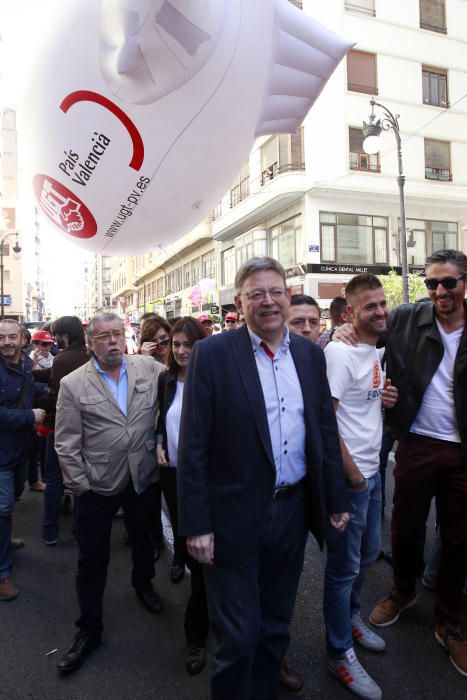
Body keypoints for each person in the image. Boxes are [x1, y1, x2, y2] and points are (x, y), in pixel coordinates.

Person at [178, 257, 349, 699]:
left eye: (276, 291)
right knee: (238, 635)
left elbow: (324, 434)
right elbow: (194, 444)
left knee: (275, 626)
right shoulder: (212, 355)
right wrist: (195, 524)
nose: (268, 301)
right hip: (232, 516)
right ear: (240, 302)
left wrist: (334, 500)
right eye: (256, 294)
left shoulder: (310, 356)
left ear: (288, 297)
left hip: (291, 513)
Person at [366, 249, 467, 677]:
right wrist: (379, 386)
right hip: (417, 442)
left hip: (462, 450)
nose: (439, 291)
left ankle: (448, 620)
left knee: (460, 539)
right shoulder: (408, 317)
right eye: (432, 283)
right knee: (405, 526)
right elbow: (365, 339)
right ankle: (403, 590)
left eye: (449, 282)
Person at [54, 312, 165, 673]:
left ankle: (143, 583)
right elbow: (66, 443)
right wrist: (82, 486)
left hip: (142, 476)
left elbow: (185, 372)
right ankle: (89, 628)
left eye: (117, 334)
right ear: (90, 342)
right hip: (97, 486)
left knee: (145, 539)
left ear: (126, 336)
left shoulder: (149, 367)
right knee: (92, 559)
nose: (112, 341)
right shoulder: (73, 384)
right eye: (103, 336)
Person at [323, 274, 398, 700]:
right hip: (354, 479)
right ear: (351, 312)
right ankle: (338, 652)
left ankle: (351, 618)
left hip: (371, 476)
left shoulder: (372, 349)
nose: (381, 311)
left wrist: (385, 396)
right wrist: (352, 474)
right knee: (343, 569)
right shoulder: (340, 352)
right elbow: (327, 421)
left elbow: (364, 401)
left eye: (382, 303)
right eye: (370, 306)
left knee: (366, 556)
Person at [155, 316, 210, 675]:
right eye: (176, 345)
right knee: (187, 542)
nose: (181, 351)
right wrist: (159, 442)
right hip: (173, 474)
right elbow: (161, 419)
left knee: (206, 562)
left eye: (188, 344)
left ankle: (198, 632)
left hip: (209, 479)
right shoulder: (166, 379)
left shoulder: (214, 378)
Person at [0, 319, 47, 601]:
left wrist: (61, 390)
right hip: (1, 455)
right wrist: (30, 416)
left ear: (22, 339)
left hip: (21, 452)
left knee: (15, 495)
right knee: (3, 509)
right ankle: (3, 574)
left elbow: (32, 391)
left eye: (11, 337)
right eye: (1, 337)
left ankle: (3, 542)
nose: (6, 342)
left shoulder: (27, 365)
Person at [38, 316, 89, 545]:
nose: (54, 338)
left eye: (56, 334)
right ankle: (80, 529)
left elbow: (55, 397)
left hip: (61, 427)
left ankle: (50, 531)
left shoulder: (62, 359)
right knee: (81, 480)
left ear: (65, 335)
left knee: (54, 479)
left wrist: (33, 402)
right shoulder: (89, 356)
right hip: (87, 428)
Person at [138, 314, 171, 558]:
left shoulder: (181, 359)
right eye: (153, 341)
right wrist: (142, 360)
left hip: (174, 439)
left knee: (176, 497)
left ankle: (180, 554)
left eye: (164, 340)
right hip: (149, 438)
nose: (160, 346)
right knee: (150, 495)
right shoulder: (141, 363)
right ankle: (155, 536)